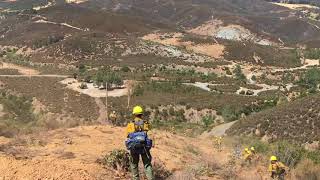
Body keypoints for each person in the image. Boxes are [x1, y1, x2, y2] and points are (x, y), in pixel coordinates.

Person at [125, 106, 154, 180]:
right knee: (147, 164)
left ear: (134, 114)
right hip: (144, 147)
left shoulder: (130, 124)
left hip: (134, 147)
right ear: (141, 114)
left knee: (134, 164)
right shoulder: (146, 123)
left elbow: (128, 136)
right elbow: (149, 134)